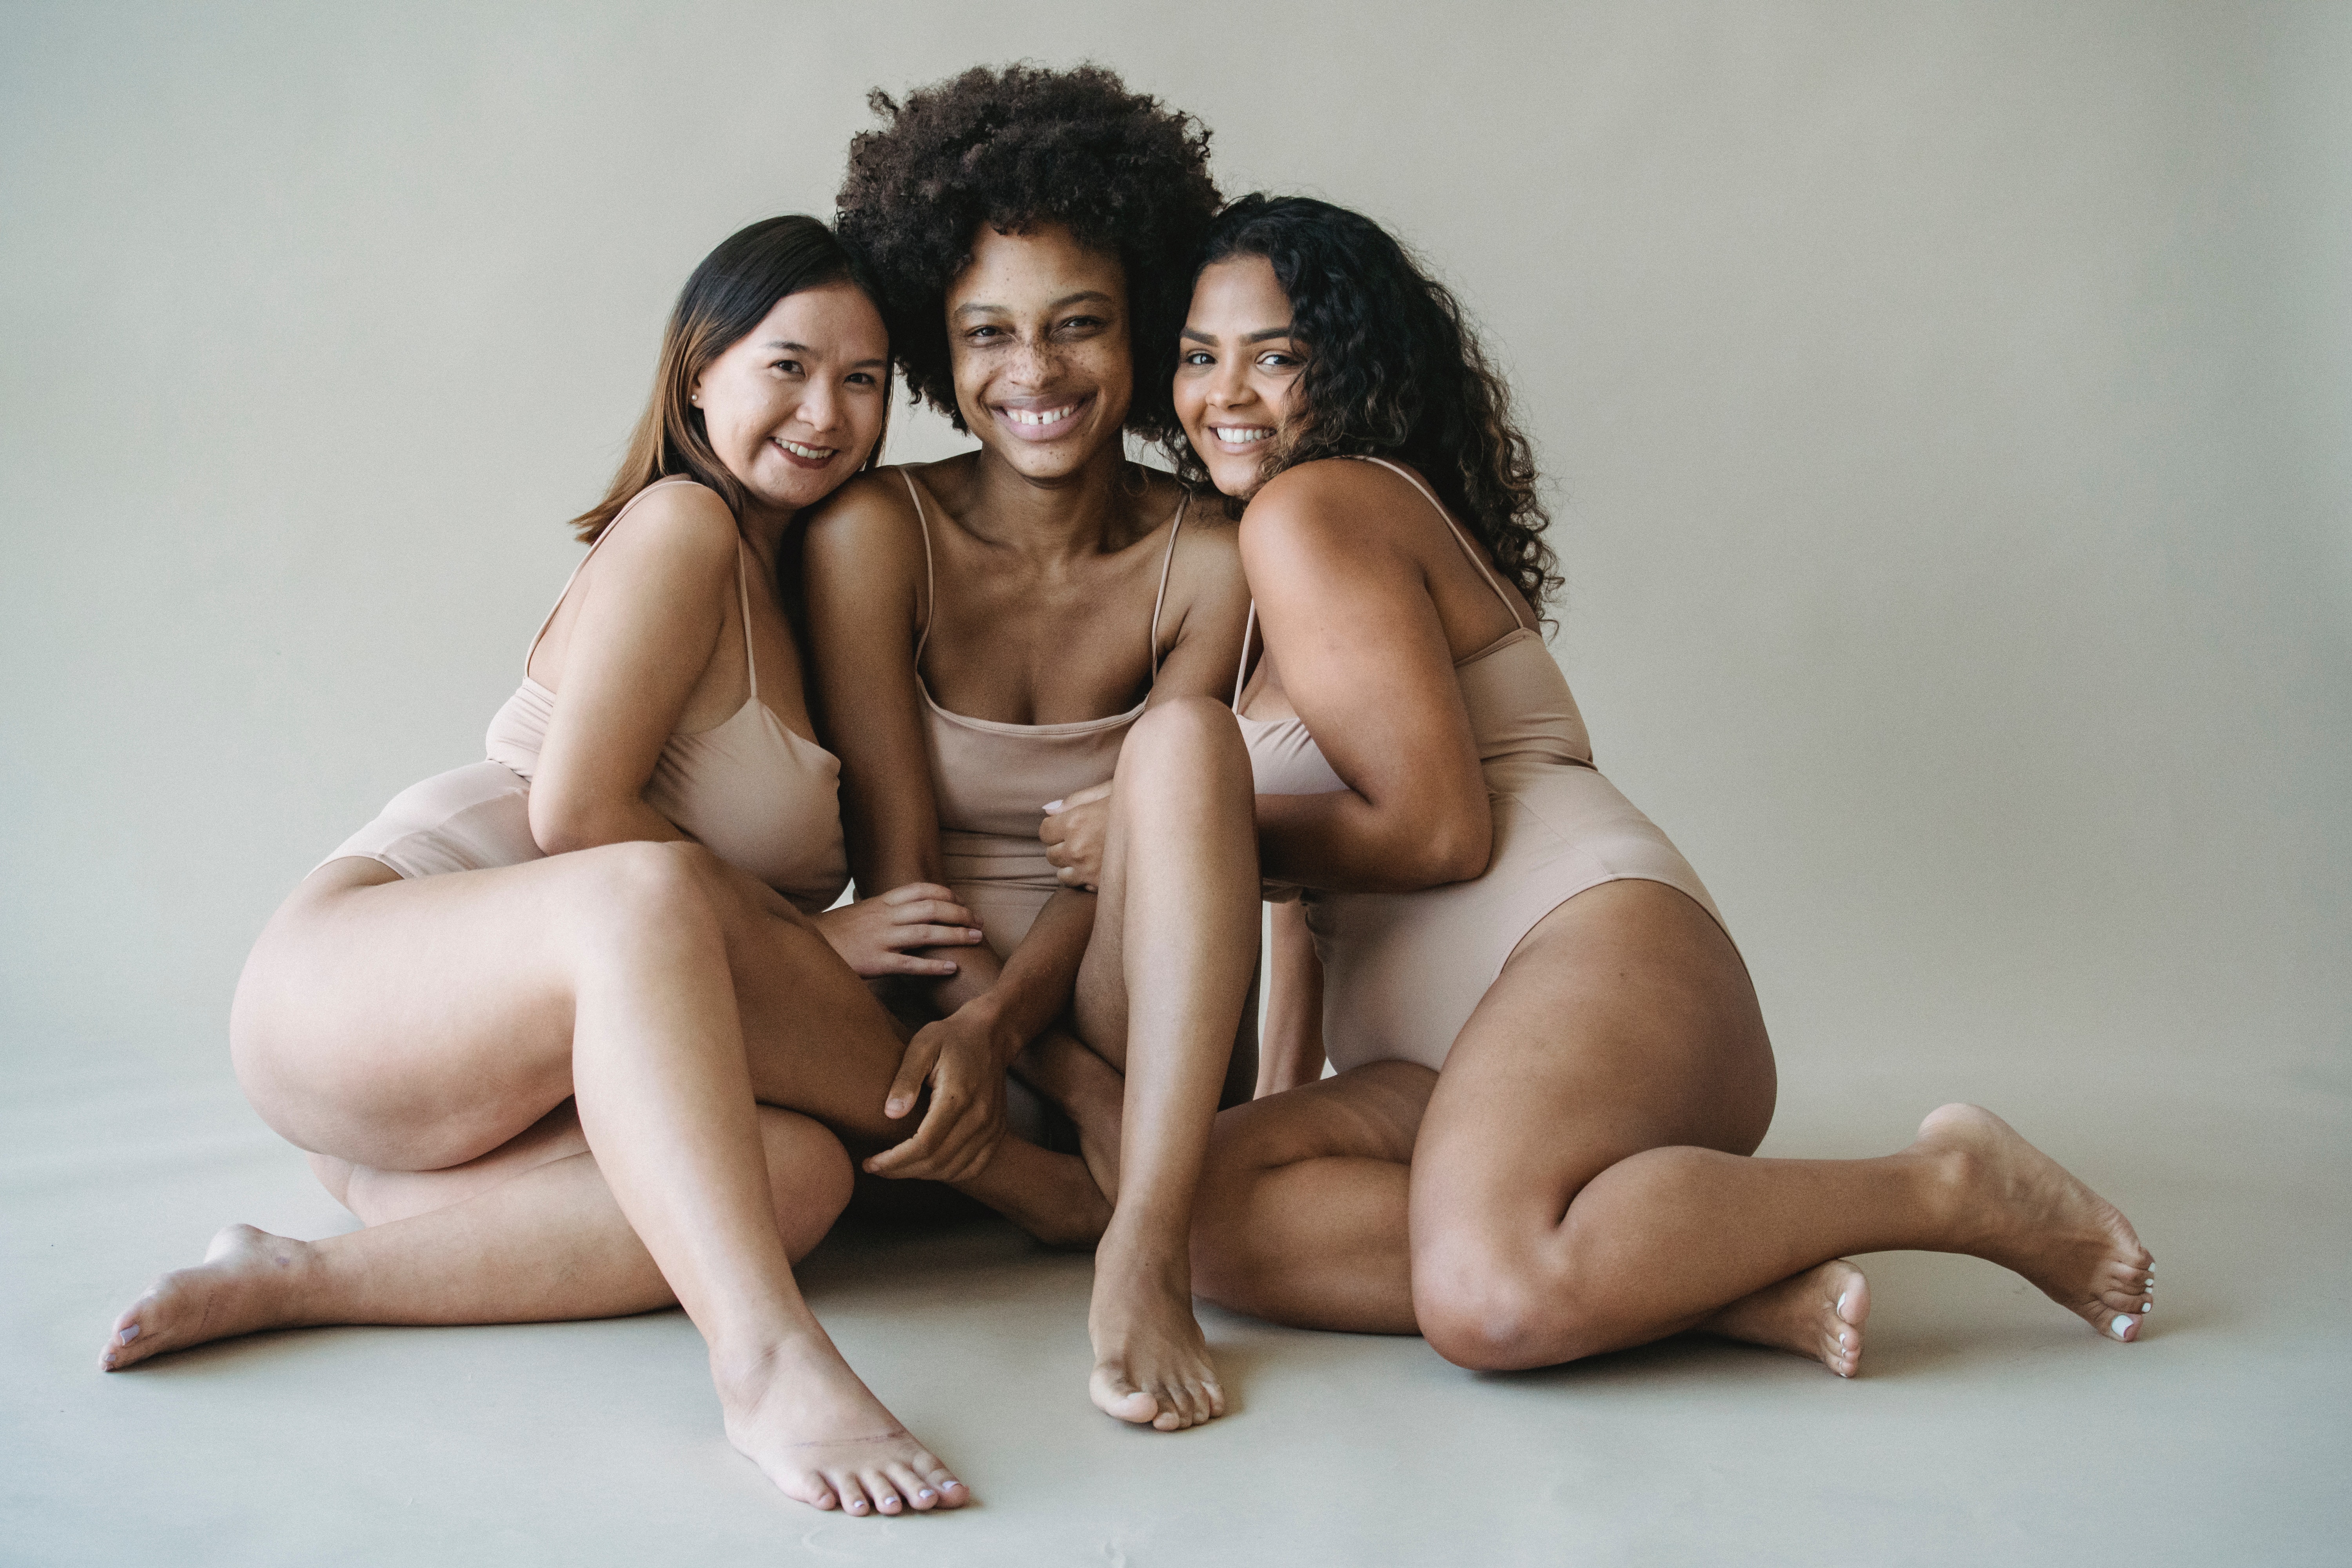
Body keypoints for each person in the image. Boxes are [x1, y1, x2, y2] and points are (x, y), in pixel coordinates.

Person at [93, 216, 1136, 1516]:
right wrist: (812, 943)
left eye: (863, 381)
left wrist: (1034, 1041)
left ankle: (302, 1266)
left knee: (797, 1179)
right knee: (643, 898)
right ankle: (770, 1362)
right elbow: (580, 816)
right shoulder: (682, 526)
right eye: (789, 367)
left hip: (491, 1075)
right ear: (699, 371)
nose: (827, 413)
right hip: (360, 978)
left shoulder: (802, 570)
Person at [1174, 195, 2155, 1377]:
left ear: (1355, 369)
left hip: (1592, 965)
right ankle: (1705, 1284)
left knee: (1490, 1302)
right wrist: (1272, 1109)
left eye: (1275, 356)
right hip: (1434, 1061)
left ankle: (1944, 1187)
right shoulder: (1272, 555)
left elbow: (1436, 833)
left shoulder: (1316, 506)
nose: (1225, 392)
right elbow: (1311, 903)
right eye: (1197, 357)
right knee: (1205, 1207)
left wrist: (1199, 832)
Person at [809, 64, 1259, 1432]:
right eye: (987, 334)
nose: (1036, 374)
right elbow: (899, 871)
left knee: (1182, 753)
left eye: (1080, 326)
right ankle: (1061, 1190)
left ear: (1140, 333)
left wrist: (1048, 1047)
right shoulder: (877, 536)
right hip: (934, 999)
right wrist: (1014, 1057)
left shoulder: (1213, 558)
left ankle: (1135, 1242)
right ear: (940, 350)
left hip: (1147, 1010)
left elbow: (1141, 862)